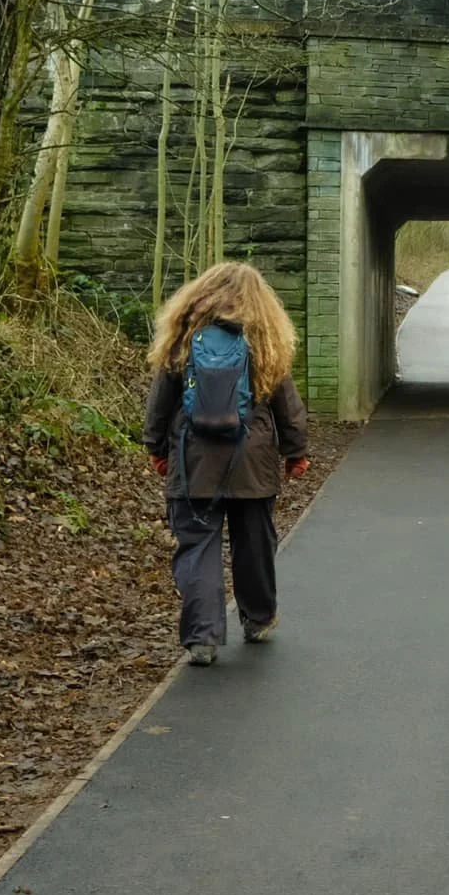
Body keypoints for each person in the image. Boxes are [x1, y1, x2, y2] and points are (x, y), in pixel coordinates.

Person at [144, 261, 309, 665]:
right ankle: (258, 619)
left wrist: (156, 448)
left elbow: (160, 402)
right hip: (251, 461)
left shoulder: (184, 338)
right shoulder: (265, 339)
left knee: (198, 547)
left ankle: (202, 639)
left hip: (194, 457)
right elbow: (287, 404)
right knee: (254, 544)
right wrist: (295, 452)